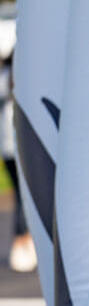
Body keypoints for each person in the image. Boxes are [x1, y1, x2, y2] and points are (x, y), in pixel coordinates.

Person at [1, 55, 35, 273]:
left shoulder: (5, 78)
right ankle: (23, 241)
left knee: (20, 197)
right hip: (19, 145)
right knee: (25, 198)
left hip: (7, 147)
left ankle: (21, 240)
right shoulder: (24, 79)